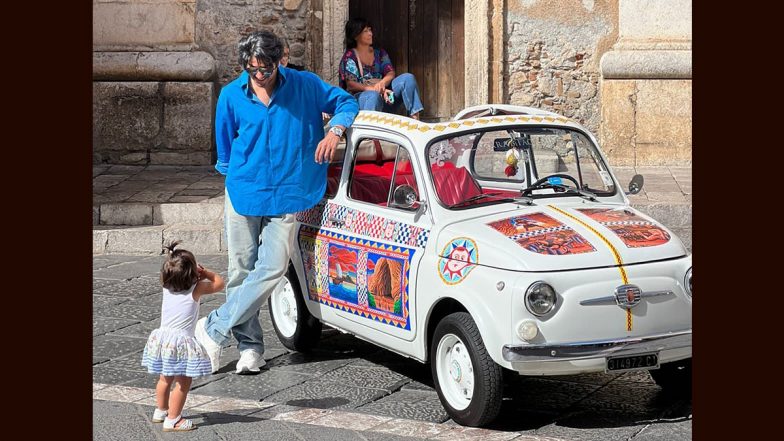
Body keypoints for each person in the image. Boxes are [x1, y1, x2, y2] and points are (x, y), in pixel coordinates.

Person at [195, 30, 358, 375]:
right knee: (240, 270)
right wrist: (241, 175)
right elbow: (225, 151)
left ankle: (212, 328)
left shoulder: (306, 85)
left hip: (290, 193)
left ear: (279, 60)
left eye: (265, 69)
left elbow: (346, 103)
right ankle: (250, 348)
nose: (259, 75)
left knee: (272, 267)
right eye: (252, 69)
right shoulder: (229, 96)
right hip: (244, 192)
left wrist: (335, 131)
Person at [141, 241, 226, 432]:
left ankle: (161, 410)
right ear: (193, 273)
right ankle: (173, 419)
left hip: (163, 339)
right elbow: (219, 284)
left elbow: (170, 272)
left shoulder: (166, 286)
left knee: (165, 379)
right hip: (181, 343)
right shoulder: (197, 288)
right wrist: (207, 273)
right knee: (183, 382)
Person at [338, 17, 424, 120]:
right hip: (363, 102)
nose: (370, 33)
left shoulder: (379, 53)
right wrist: (376, 90)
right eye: (365, 31)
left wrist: (382, 83)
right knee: (373, 95)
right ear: (356, 35)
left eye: (370, 30)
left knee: (408, 78)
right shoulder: (350, 56)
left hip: (384, 98)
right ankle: (372, 134)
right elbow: (351, 85)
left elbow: (390, 72)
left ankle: (415, 119)